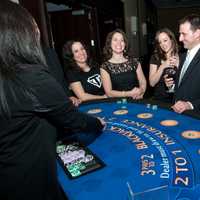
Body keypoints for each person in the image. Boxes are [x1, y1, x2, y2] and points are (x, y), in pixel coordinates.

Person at [0, 1, 105, 200]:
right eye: (33, 26)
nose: (37, 31)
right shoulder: (31, 77)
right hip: (31, 182)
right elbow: (72, 119)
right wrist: (97, 123)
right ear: (23, 33)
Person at [165, 14, 200, 114]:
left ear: (197, 33)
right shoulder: (182, 56)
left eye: (183, 34)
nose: (180, 39)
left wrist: (190, 105)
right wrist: (171, 86)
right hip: (178, 114)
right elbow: (184, 84)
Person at [100, 29, 146, 99]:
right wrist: (129, 93)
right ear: (109, 43)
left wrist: (141, 91)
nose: (119, 43)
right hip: (117, 105)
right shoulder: (105, 67)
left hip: (136, 101)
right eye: (115, 40)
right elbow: (109, 93)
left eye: (122, 40)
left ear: (125, 44)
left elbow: (143, 81)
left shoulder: (135, 62)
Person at [149, 28, 179, 103]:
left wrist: (178, 66)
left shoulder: (182, 57)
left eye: (165, 40)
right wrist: (163, 66)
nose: (163, 44)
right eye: (160, 42)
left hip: (178, 100)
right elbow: (152, 83)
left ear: (171, 40)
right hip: (160, 99)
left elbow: (187, 81)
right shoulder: (155, 58)